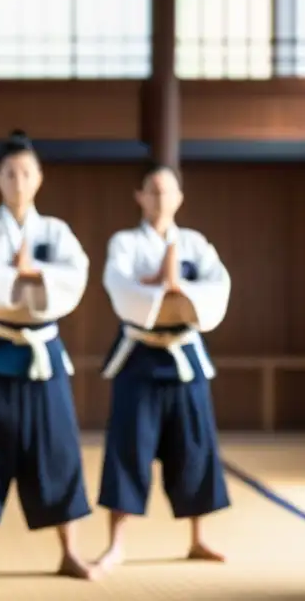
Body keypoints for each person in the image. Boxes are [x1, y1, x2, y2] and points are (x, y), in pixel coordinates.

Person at [0, 130, 95, 579]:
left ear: (39, 178)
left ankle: (70, 549)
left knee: (59, 450)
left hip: (43, 355)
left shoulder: (55, 231)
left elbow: (74, 277)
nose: (18, 181)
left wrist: (30, 275)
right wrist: (28, 282)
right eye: (11, 173)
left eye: (26, 173)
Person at [94, 162, 231, 571]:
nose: (160, 198)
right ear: (139, 196)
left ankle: (198, 538)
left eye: (167, 191)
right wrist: (163, 287)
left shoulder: (195, 243)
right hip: (138, 357)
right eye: (152, 191)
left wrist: (173, 290)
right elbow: (122, 289)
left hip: (186, 358)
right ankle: (116, 543)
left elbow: (216, 289)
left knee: (195, 447)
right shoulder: (125, 243)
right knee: (127, 449)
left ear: (180, 198)